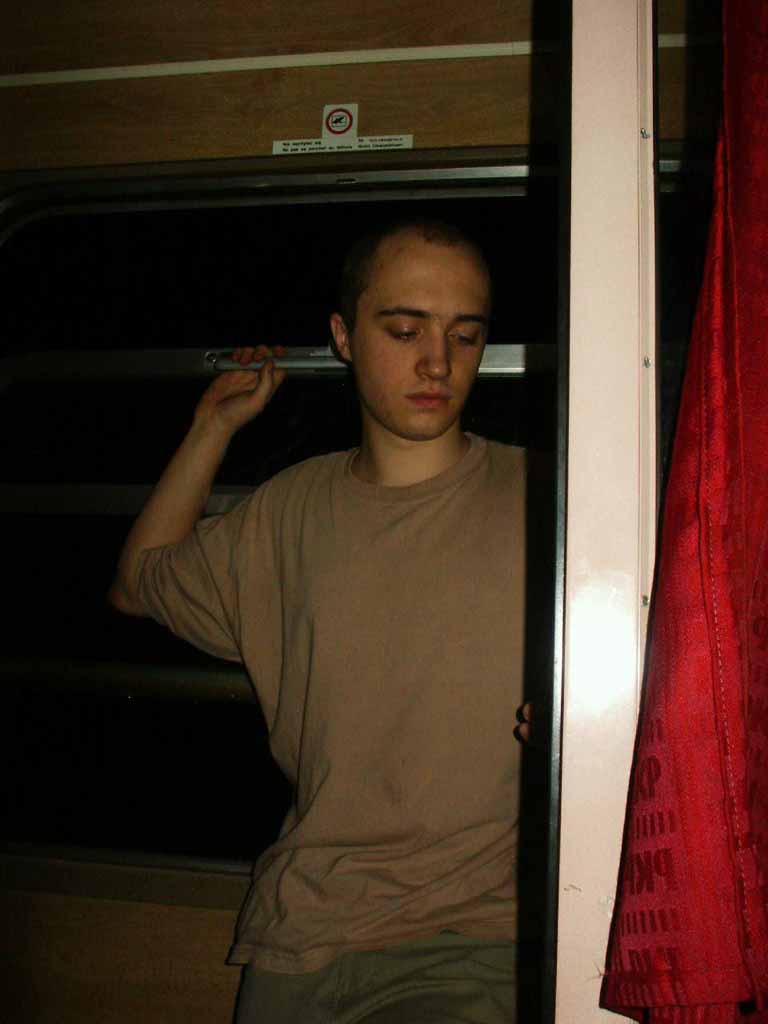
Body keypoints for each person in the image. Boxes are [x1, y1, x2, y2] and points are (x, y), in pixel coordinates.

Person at [108, 218, 527, 1023]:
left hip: (472, 933)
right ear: (342, 336)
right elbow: (136, 585)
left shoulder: (548, 498)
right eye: (403, 330)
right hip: (299, 926)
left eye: (465, 336)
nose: (437, 363)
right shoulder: (291, 509)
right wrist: (213, 428)